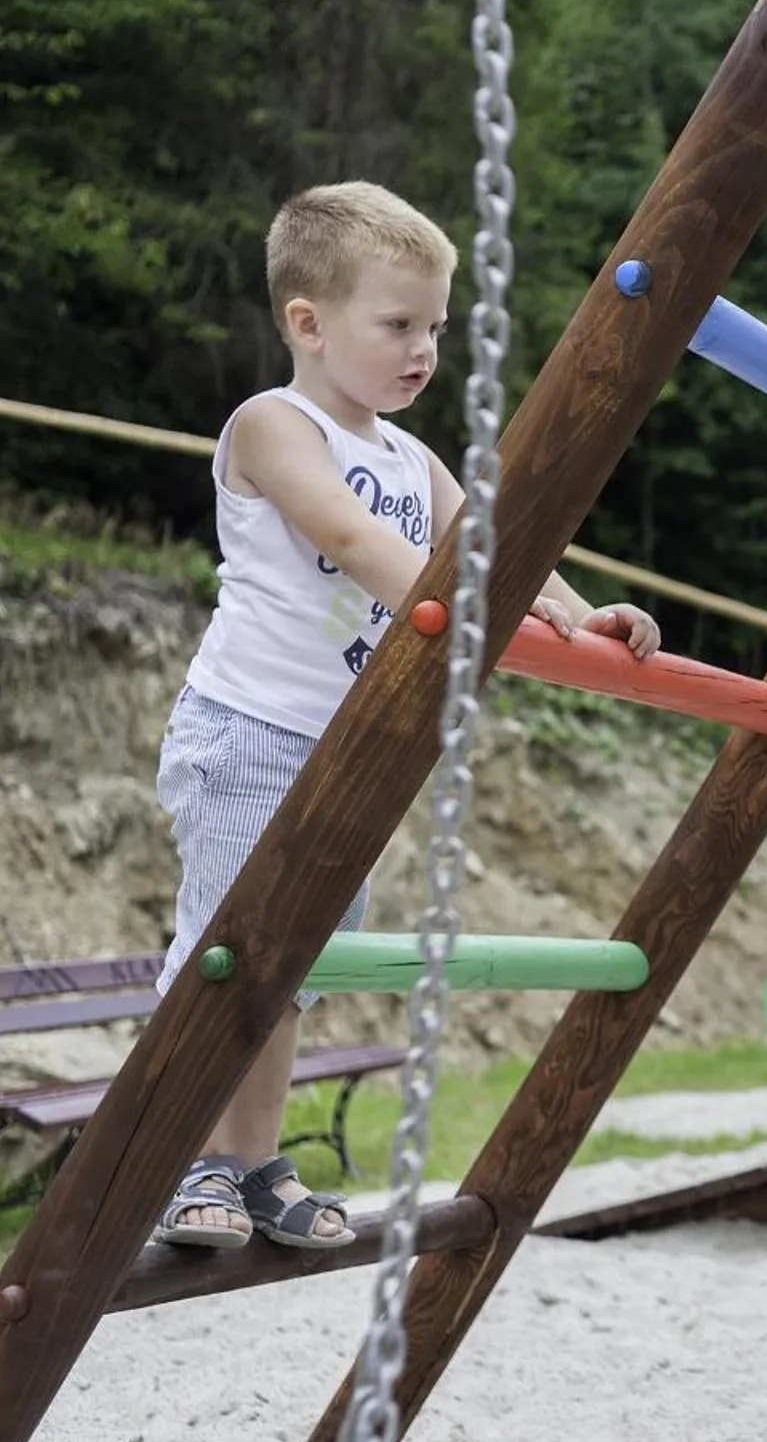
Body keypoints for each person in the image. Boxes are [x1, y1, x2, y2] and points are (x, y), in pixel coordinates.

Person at [151, 181, 661, 1250]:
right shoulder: (273, 428)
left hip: (352, 752)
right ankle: (182, 1157)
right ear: (309, 322)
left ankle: (253, 1165)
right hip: (249, 734)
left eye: (436, 325)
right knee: (234, 951)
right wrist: (476, 618)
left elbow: (497, 551)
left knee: (297, 970)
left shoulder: (413, 459)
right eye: (398, 325)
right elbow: (357, 544)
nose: (424, 348)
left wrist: (579, 615)